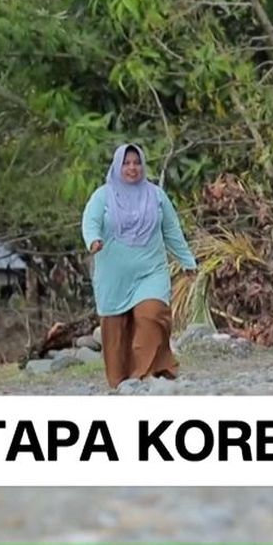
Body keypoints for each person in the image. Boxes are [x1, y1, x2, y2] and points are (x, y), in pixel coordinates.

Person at [82, 143, 198, 389]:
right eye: (126, 163)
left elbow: (172, 231)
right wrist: (93, 240)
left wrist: (187, 260)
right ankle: (122, 382)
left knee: (152, 314)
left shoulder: (156, 196)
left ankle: (145, 376)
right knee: (115, 332)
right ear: (117, 166)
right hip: (113, 276)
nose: (132, 168)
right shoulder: (103, 196)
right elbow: (90, 221)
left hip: (151, 272)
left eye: (136, 163)